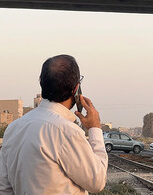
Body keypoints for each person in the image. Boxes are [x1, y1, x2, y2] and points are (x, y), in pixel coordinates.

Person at [0, 54, 108, 195]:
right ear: (76, 89)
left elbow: (4, 188)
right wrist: (95, 128)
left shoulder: (13, 129)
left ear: (43, 84)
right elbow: (97, 181)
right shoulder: (67, 132)